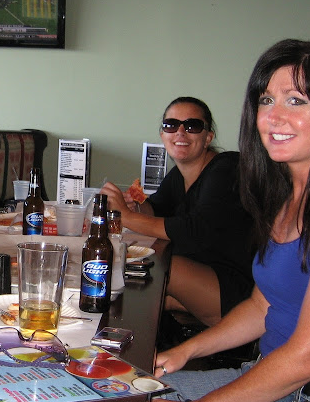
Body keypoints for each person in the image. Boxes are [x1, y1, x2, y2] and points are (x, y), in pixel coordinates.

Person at [59, 39, 310, 402]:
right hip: (267, 383)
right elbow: (261, 306)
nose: (273, 116)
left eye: (296, 100)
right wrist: (183, 352)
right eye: (266, 100)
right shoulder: (289, 196)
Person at [101, 97, 255, 326]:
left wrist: (127, 216)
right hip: (204, 276)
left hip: (238, 289)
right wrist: (135, 205)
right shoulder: (179, 175)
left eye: (192, 126)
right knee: (135, 297)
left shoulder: (228, 169)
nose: (180, 132)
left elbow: (195, 230)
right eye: (171, 125)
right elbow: (157, 209)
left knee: (153, 268)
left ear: (208, 137)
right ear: (163, 135)